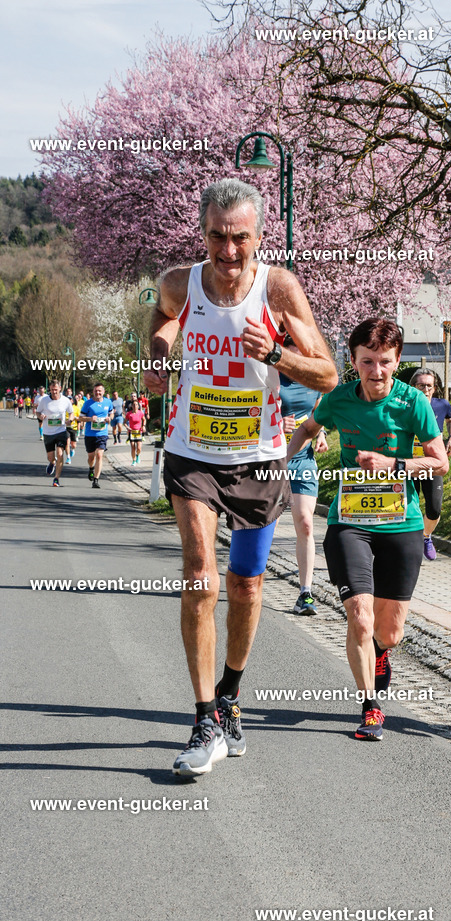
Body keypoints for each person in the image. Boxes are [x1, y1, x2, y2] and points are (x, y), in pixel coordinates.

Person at [143, 177, 337, 777]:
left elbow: (328, 374)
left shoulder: (279, 289)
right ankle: (203, 718)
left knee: (247, 586)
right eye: (218, 238)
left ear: (260, 235)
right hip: (193, 451)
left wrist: (276, 354)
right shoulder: (181, 281)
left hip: (258, 456)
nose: (228, 251)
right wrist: (156, 350)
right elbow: (163, 313)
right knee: (200, 574)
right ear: (203, 235)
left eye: (240, 239)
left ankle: (229, 696)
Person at [288, 318, 448, 741]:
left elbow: (440, 463)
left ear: (397, 362)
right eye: (367, 362)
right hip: (350, 523)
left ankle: (379, 655)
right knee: (359, 616)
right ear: (353, 361)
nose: (376, 372)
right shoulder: (338, 398)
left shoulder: (413, 401)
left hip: (402, 522)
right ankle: (371, 706)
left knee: (388, 631)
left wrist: (394, 464)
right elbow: (308, 428)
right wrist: (279, 462)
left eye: (385, 363)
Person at [279, 335, 328, 615]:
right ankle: (249, 581)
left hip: (303, 462)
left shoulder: (315, 384)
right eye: (291, 356)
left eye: (302, 357)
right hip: (271, 464)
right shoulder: (270, 378)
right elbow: (250, 414)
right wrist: (274, 422)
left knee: (306, 525)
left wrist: (321, 434)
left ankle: (305, 593)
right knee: (262, 526)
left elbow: (317, 418)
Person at [409, 369, 451, 560]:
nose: (426, 389)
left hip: (432, 465)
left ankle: (426, 537)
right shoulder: (405, 406)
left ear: (434, 388)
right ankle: (408, 544)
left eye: (429, 386)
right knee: (406, 507)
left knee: (434, 508)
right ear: (413, 387)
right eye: (421, 385)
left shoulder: (441, 405)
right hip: (409, 465)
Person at [35, 380, 73, 487]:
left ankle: (56, 479)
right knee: (50, 457)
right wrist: (40, 416)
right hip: (48, 432)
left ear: (60, 388)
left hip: (61, 431)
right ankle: (52, 462)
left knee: (60, 454)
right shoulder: (44, 400)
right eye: (52, 390)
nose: (54, 392)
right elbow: (38, 412)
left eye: (56, 390)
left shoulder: (65, 400)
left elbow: (71, 413)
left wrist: (70, 420)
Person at [79, 383, 114, 488]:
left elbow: (112, 412)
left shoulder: (108, 402)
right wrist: (90, 419)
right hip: (90, 434)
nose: (97, 393)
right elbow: (80, 418)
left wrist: (110, 418)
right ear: (93, 392)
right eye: (96, 391)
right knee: (91, 457)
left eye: (99, 391)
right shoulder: (88, 403)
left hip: (102, 433)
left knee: (99, 455)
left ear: (103, 392)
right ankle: (91, 468)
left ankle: (96, 480)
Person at [125, 398, 146, 465]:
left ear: (138, 406)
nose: (135, 406)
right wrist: (128, 428)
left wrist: (143, 426)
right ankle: (134, 460)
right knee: (133, 446)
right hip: (132, 432)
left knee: (139, 447)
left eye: (136, 404)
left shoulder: (140, 413)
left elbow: (144, 419)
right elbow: (124, 422)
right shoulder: (129, 414)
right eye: (133, 404)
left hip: (139, 432)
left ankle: (138, 455)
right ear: (132, 406)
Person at [65, 391, 82, 463]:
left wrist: (78, 431)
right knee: (67, 442)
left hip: (74, 428)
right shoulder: (64, 408)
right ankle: (68, 457)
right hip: (66, 428)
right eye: (67, 399)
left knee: (73, 445)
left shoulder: (76, 408)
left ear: (72, 400)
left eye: (70, 399)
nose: (69, 400)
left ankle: (72, 449)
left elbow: (79, 419)